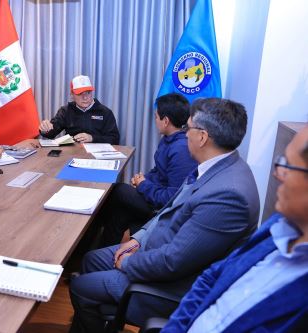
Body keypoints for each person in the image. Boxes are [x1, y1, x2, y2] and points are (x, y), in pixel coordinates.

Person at [69, 98, 260, 332]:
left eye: (188, 128)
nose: (184, 133)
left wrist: (129, 261)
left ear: (202, 137)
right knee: (91, 260)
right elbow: (169, 210)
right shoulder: (212, 166)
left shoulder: (228, 195)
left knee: (80, 287)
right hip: (155, 248)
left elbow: (173, 262)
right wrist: (138, 239)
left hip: (167, 286)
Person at [161, 126, 308, 333]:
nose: (277, 174)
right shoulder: (278, 226)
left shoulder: (229, 192)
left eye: (288, 166)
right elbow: (213, 276)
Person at [97, 93, 197, 246]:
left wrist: (143, 185)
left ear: (166, 121)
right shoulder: (168, 140)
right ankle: (100, 253)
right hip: (154, 194)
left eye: (156, 117)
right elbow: (159, 170)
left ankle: (91, 233)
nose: (155, 120)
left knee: (118, 191)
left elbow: (173, 198)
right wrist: (143, 178)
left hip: (162, 209)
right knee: (119, 213)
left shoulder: (181, 150)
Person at [39, 75, 120, 144]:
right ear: (72, 95)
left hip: (96, 156)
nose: (85, 97)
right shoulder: (65, 111)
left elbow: (115, 139)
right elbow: (51, 134)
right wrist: (45, 129)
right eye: (80, 93)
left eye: (88, 92)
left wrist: (92, 138)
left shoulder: (105, 112)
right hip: (72, 153)